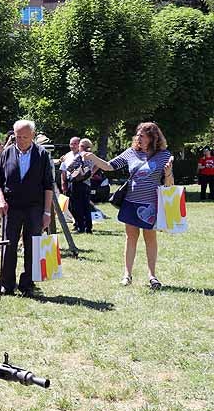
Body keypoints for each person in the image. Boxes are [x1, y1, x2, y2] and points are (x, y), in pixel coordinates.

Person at [82, 122, 174, 289]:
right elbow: (110, 166)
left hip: (150, 205)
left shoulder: (164, 155)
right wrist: (93, 157)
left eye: (142, 135)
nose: (138, 138)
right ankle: (127, 275)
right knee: (131, 238)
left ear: (153, 138)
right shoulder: (131, 153)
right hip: (130, 202)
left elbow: (169, 185)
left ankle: (152, 276)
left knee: (150, 239)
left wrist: (168, 173)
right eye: (137, 134)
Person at [0, 119, 54, 296]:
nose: (20, 140)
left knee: (32, 245)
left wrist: (47, 212)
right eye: (17, 136)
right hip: (11, 207)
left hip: (34, 208)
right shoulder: (7, 153)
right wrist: (0, 199)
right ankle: (6, 283)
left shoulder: (42, 155)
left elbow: (48, 185)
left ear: (33, 136)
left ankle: (27, 284)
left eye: (25, 137)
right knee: (9, 244)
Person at [67, 138, 96, 233]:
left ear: (82, 147)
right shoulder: (92, 156)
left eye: (79, 145)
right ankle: (89, 228)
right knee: (86, 207)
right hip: (87, 184)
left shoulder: (80, 156)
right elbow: (95, 167)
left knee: (76, 207)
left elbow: (69, 167)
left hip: (77, 184)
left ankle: (80, 227)